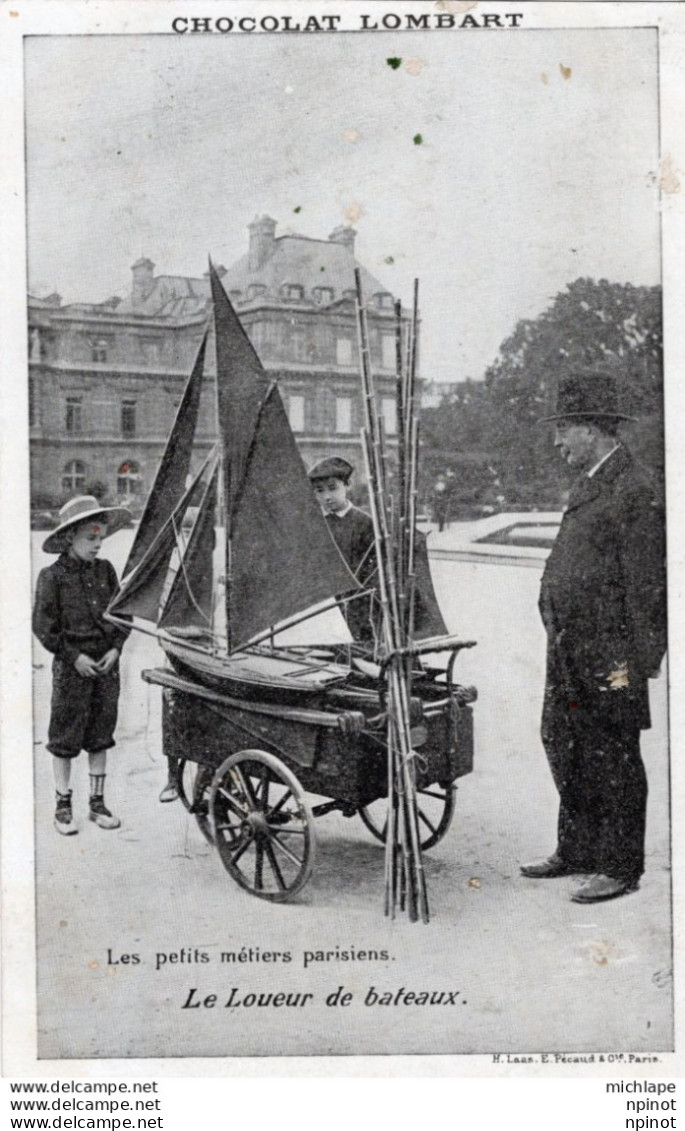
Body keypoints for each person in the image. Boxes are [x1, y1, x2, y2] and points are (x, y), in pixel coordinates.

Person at [520, 373, 667, 903]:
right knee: (564, 740)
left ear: (593, 430)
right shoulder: (592, 482)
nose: (557, 443)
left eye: (563, 430)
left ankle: (620, 866)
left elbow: (650, 584)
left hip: (611, 654)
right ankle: (578, 848)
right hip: (569, 646)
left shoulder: (635, 488)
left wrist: (639, 660)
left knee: (614, 751)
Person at [33, 495, 131, 835]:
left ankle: (97, 803)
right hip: (72, 671)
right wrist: (74, 657)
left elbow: (122, 614)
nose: (98, 544)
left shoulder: (105, 571)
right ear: (69, 537)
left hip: (106, 669)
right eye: (91, 538)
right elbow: (44, 627)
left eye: (101, 537)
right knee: (64, 736)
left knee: (101, 735)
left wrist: (116, 648)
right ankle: (63, 805)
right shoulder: (52, 576)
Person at [308, 457, 376, 643]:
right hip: (325, 602)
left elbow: (375, 565)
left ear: (347, 485)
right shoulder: (316, 524)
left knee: (358, 646)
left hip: (357, 602)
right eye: (319, 491)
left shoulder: (364, 522)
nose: (327, 496)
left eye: (333, 488)